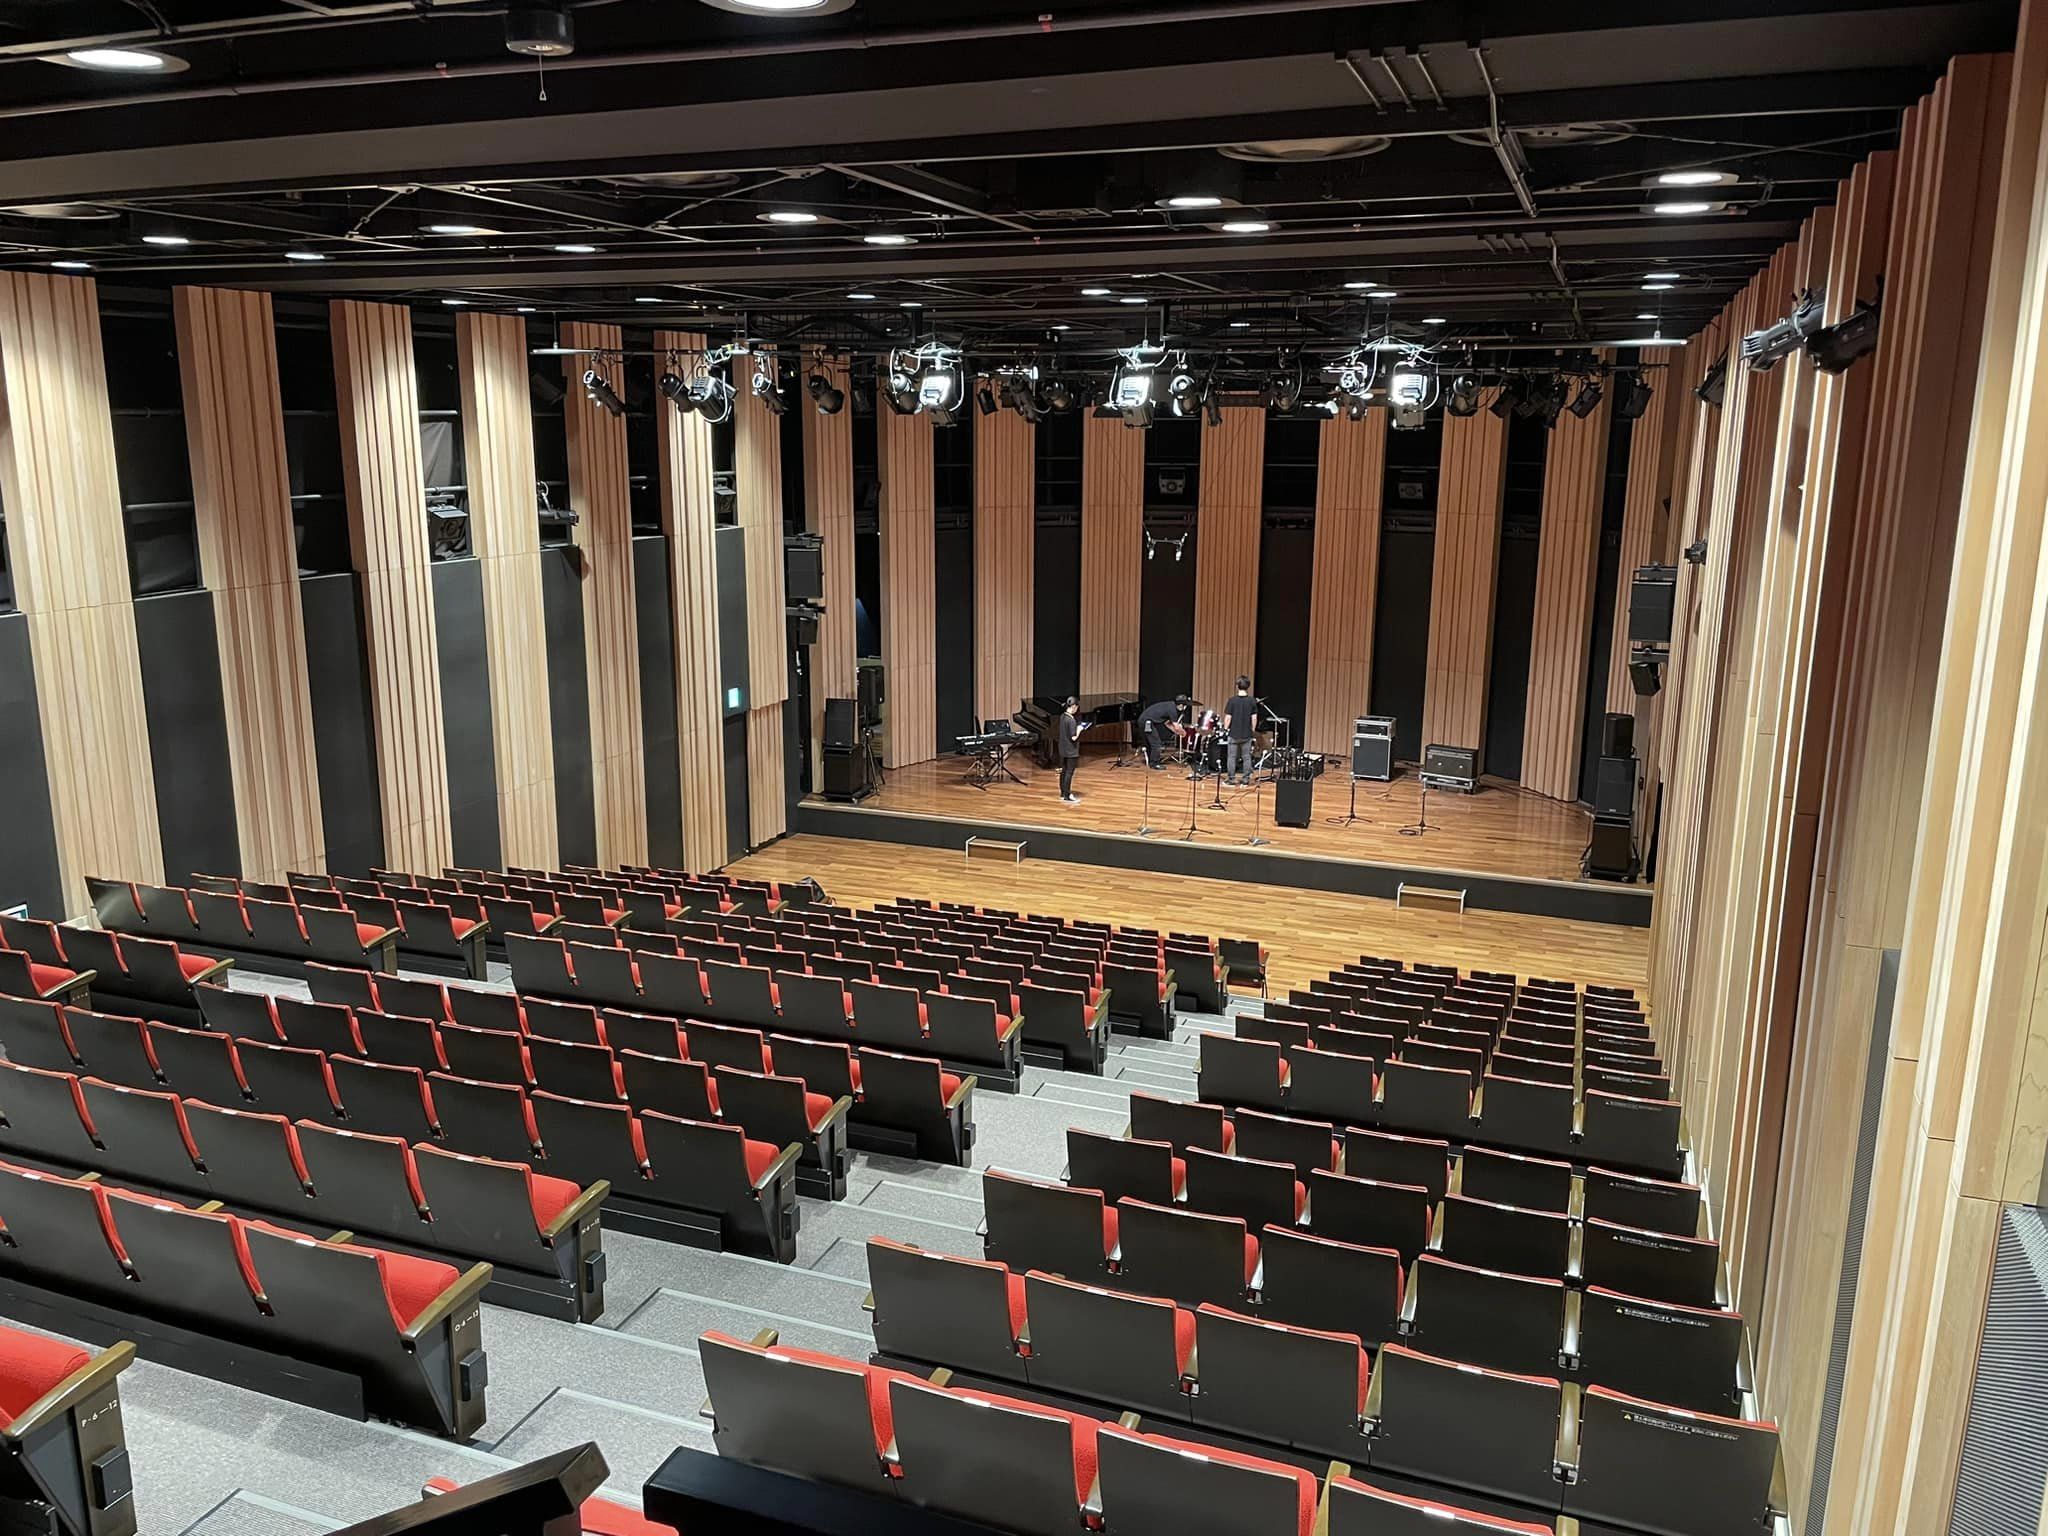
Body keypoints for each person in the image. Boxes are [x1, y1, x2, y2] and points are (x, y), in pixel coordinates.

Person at [1137, 694, 1190, 769]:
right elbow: (1176, 726)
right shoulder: (1173, 710)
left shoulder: (1171, 705)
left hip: (1143, 720)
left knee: (1150, 743)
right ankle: (1154, 763)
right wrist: (1184, 733)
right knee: (1156, 743)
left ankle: (1151, 760)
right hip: (1147, 721)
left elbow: (1167, 724)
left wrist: (1177, 732)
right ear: (1181, 705)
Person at [1223, 675, 1258, 785]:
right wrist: (1252, 730)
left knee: (1231, 757)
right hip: (1247, 734)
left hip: (1233, 733)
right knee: (1246, 757)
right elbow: (1254, 718)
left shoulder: (1232, 701)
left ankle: (1231, 779)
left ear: (1237, 686)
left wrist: (1225, 729)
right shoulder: (1252, 701)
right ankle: (1246, 779)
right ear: (1248, 686)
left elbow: (1228, 717)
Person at [1057, 696, 1083, 802]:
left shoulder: (1062, 717)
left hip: (1062, 749)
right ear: (1073, 706)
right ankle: (1067, 795)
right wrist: (1079, 729)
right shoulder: (1071, 720)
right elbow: (1073, 737)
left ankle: (1063, 793)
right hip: (1071, 750)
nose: (1077, 710)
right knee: (1069, 772)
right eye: (1076, 707)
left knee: (1063, 771)